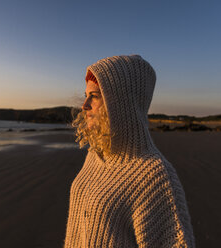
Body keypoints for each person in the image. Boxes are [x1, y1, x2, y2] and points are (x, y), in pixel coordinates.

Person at [64, 55, 195, 247]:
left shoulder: (155, 176)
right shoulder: (97, 154)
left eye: (94, 96)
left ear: (121, 103)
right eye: (86, 96)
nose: (85, 107)